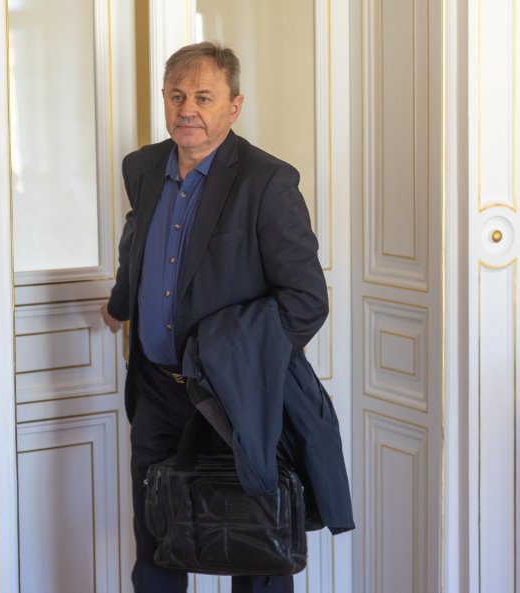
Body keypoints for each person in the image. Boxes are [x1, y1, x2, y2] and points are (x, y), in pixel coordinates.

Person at [100, 41, 338, 593]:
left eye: (204, 98)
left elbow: (306, 299)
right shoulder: (141, 167)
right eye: (177, 96)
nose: (188, 109)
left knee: (254, 548)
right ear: (164, 99)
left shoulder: (267, 182)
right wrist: (119, 304)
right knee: (158, 541)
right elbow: (139, 246)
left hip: (234, 399)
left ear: (234, 106)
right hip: (158, 392)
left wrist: (240, 363)